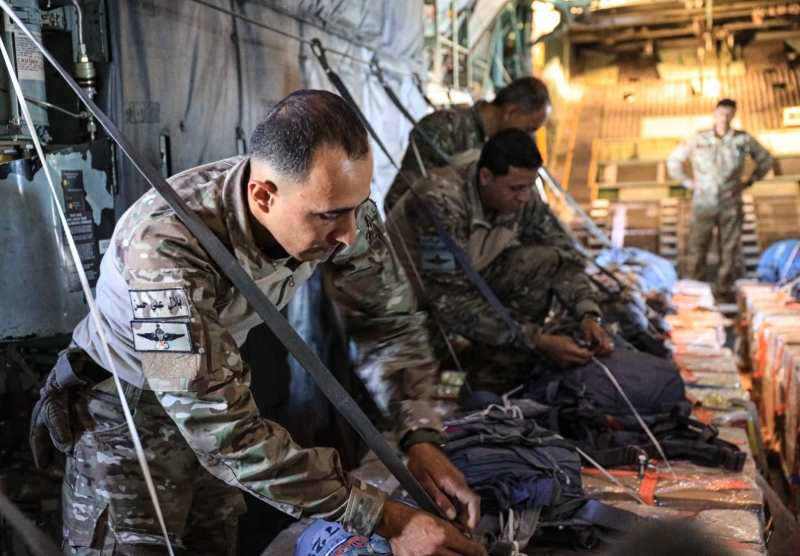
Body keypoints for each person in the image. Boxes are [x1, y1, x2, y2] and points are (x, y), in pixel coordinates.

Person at [32, 91, 485, 556]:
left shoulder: (337, 204)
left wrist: (419, 434)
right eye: (330, 216)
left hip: (210, 391)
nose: (350, 233)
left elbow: (386, 318)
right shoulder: (164, 249)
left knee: (214, 544)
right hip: (125, 414)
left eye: (357, 207)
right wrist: (382, 517)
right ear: (264, 196)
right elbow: (216, 429)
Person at [386, 129, 613, 395]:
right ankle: (471, 379)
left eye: (529, 187)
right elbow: (450, 303)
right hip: (406, 302)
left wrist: (587, 313)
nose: (524, 197)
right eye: (516, 188)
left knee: (543, 261)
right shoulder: (442, 200)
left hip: (462, 286)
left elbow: (565, 255)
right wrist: (537, 340)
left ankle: (496, 372)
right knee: (412, 395)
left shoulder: (520, 197)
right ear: (485, 177)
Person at [383, 77, 552, 212]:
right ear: (511, 112)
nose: (529, 136)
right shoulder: (443, 128)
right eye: (529, 129)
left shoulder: (510, 147)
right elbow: (404, 195)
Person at [667, 98, 772, 302]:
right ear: (714, 113)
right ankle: (693, 293)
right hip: (703, 203)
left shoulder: (742, 140)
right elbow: (674, 161)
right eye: (722, 112)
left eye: (729, 113)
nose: (725, 117)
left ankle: (723, 292)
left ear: (734, 115)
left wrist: (749, 181)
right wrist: (689, 183)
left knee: (729, 250)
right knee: (696, 248)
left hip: (730, 202)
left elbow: (765, 159)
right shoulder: (698, 138)